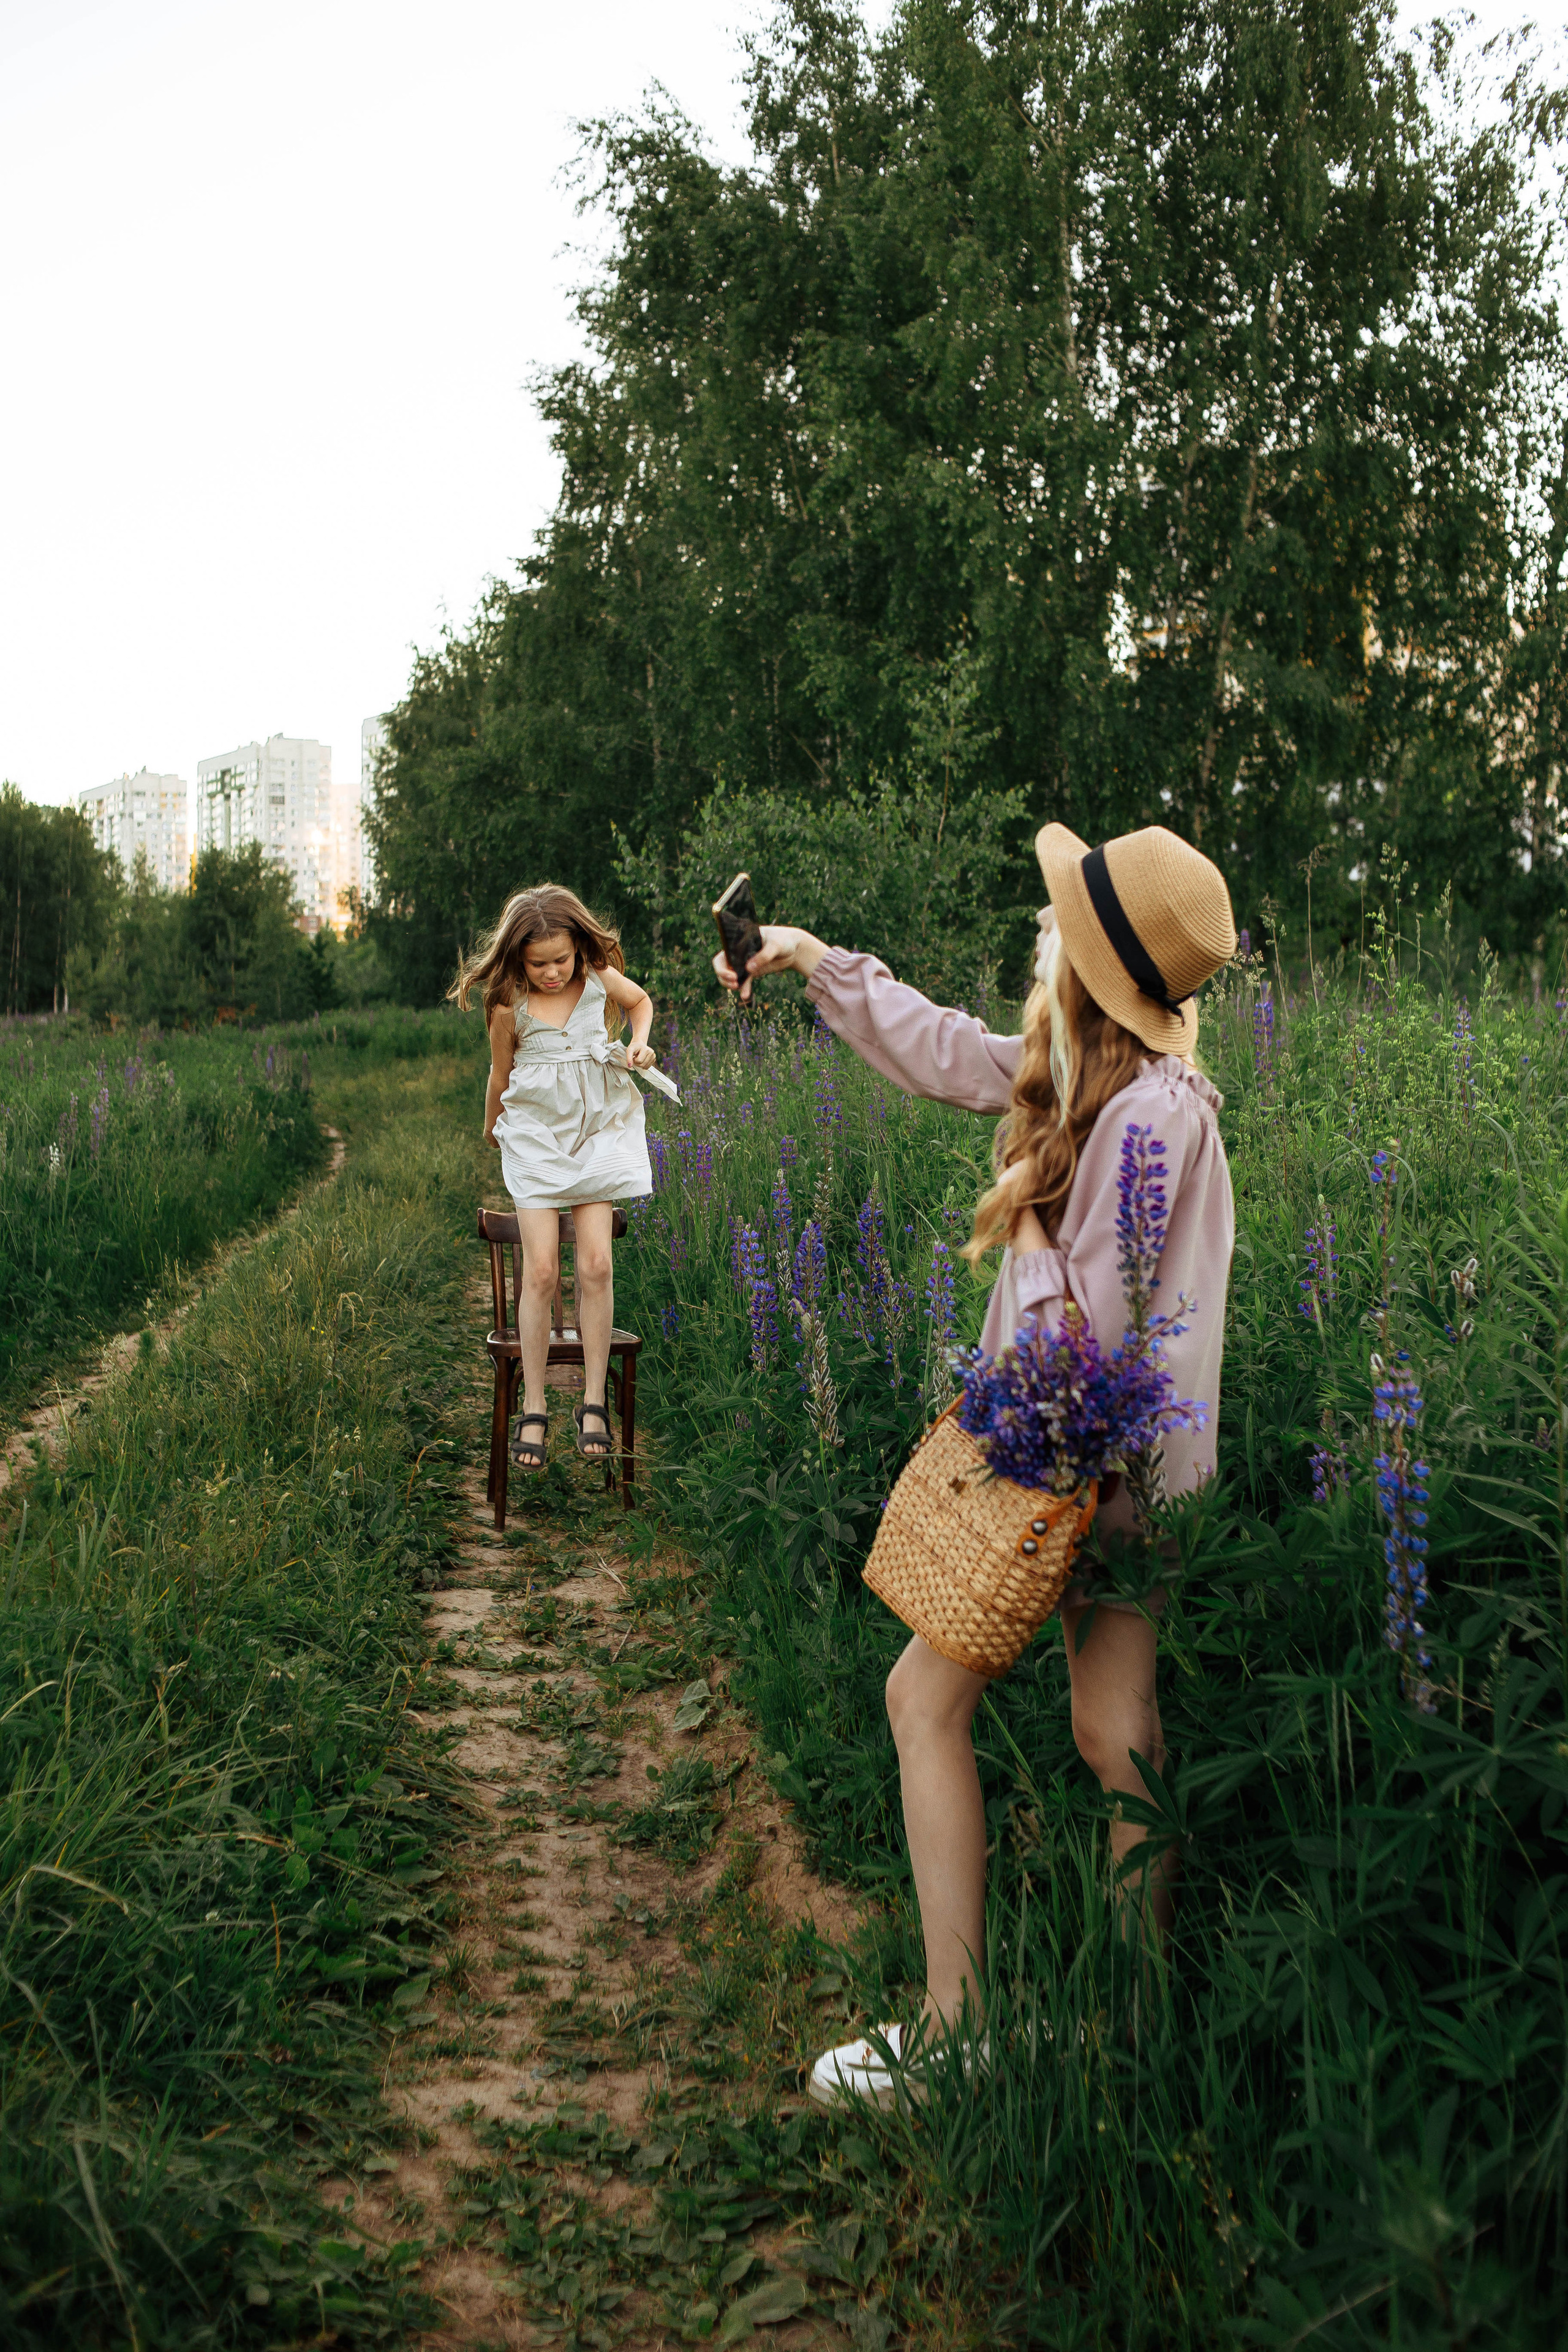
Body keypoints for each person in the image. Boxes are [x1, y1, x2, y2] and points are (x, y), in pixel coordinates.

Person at [714, 822, 1237, 2106]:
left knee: (919, 1702)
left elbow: (1094, 1325)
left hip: (1067, 1464)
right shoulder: (1087, 1070)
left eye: (1057, 919)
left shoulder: (1152, 1118)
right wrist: (814, 961)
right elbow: (950, 1050)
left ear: (1090, 956)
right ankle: (1127, 2027)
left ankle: (953, 2033)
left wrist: (1025, 1223)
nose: (1040, 931)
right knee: (1113, 1731)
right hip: (1126, 1479)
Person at [454, 884, 676, 1471]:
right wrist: (491, 1130)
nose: (552, 973)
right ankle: (533, 1404)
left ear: (579, 948)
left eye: (561, 960)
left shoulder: (598, 979)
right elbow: (500, 1075)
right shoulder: (507, 1004)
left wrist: (641, 1045)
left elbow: (641, 1003)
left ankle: (594, 1400)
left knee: (597, 1263)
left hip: (596, 1126)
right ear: (517, 960)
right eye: (538, 963)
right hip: (534, 1136)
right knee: (544, 1271)